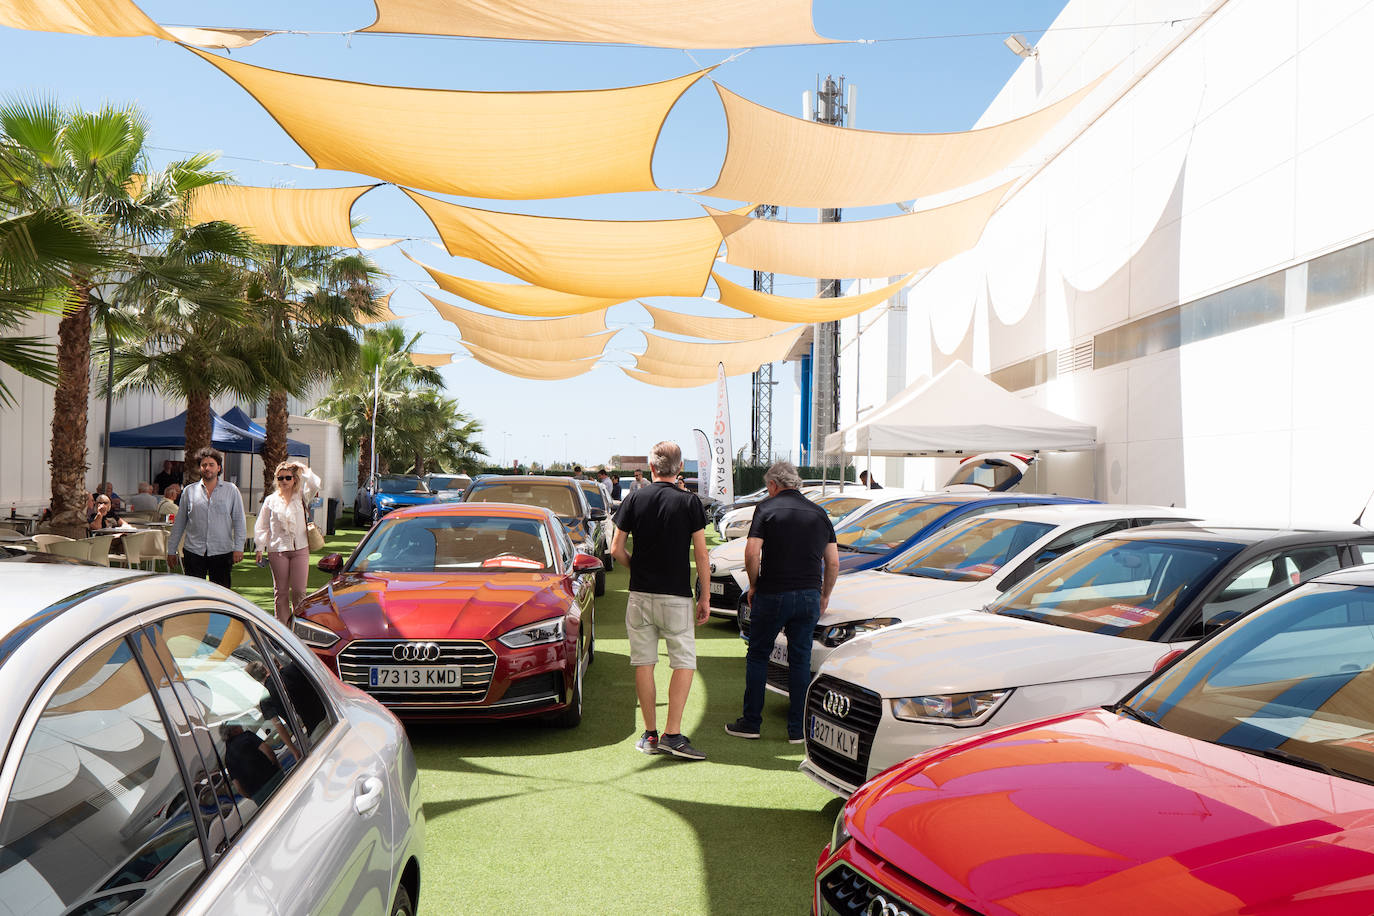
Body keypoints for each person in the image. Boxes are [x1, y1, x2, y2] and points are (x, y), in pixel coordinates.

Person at [726, 460, 839, 743]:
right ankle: (798, 730)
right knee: (800, 660)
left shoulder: (766, 508)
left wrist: (754, 585)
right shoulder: (819, 513)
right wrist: (824, 594)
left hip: (773, 592)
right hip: (809, 594)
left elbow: (752, 553)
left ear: (773, 484)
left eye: (768, 487)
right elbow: (833, 562)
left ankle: (751, 722)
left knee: (758, 655)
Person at [611, 440, 710, 761]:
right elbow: (702, 553)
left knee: (644, 663)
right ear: (679, 468)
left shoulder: (634, 498)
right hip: (676, 595)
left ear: (651, 467)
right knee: (684, 663)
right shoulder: (690, 501)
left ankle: (650, 734)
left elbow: (615, 549)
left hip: (640, 595)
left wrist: (636, 568)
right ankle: (673, 734)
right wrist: (705, 595)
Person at [166, 447, 245, 588]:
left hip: (222, 551)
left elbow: (239, 520)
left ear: (218, 468)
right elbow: (179, 523)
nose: (207, 468)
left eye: (211, 465)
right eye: (204, 465)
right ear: (199, 468)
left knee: (221, 593)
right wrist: (171, 550)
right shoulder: (189, 491)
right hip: (194, 552)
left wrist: (239, 547)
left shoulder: (231, 490)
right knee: (194, 593)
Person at [255, 460, 322, 624]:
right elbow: (262, 525)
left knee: (299, 591)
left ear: (294, 479)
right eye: (280, 478)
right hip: (277, 550)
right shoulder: (270, 500)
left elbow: (315, 484)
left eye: (287, 477)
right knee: (281, 592)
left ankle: (299, 626)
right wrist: (259, 547)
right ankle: (283, 628)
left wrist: (303, 468)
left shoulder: (302, 496)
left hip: (300, 549)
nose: (284, 481)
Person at [219, 721, 282, 803]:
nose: (242, 727)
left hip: (258, 795)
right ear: (234, 730)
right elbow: (267, 750)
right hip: (273, 779)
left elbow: (238, 787)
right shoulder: (247, 736)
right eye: (239, 726)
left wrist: (254, 797)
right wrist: (277, 767)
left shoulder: (227, 758)